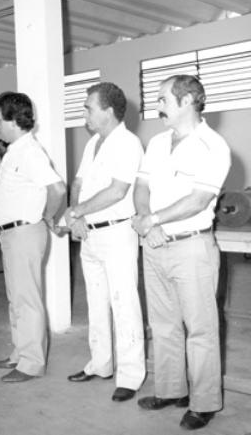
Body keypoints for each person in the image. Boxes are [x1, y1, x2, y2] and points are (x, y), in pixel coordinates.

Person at [132, 75, 230, 430]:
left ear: (187, 100)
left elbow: (199, 200)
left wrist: (153, 219)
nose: (156, 105)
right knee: (162, 324)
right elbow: (141, 186)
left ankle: (204, 402)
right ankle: (172, 390)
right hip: (155, 244)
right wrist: (146, 220)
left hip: (192, 247)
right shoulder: (157, 142)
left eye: (161, 99)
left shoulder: (213, 146)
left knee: (201, 329)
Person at [0, 92, 66, 382]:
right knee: (16, 299)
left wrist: (47, 216)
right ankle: (20, 353)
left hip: (24, 232)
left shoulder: (30, 152)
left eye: (0, 119)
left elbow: (58, 189)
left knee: (27, 300)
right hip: (12, 235)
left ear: (14, 121)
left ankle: (31, 363)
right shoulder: (15, 151)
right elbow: (17, 185)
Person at [63, 82, 145, 401]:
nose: (84, 113)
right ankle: (100, 364)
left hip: (117, 233)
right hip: (90, 233)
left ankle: (131, 375)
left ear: (108, 112)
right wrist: (77, 217)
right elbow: (79, 182)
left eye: (88, 108)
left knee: (124, 304)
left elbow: (117, 191)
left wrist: (75, 212)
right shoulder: (94, 143)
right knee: (96, 304)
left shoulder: (128, 143)